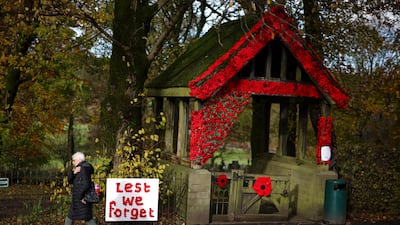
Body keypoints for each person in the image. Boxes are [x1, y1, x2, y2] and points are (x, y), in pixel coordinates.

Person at [64, 152, 96, 225]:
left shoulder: (84, 168)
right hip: (77, 200)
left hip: (81, 199)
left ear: (79, 159)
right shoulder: (78, 168)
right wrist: (74, 173)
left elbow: (86, 184)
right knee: (70, 217)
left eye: (74, 160)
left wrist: (82, 197)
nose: (73, 162)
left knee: (87, 219)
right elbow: (70, 181)